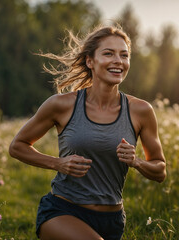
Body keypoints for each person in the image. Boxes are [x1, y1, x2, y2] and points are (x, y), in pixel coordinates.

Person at [9, 25, 166, 240]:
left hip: (112, 220)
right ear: (90, 61)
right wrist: (58, 163)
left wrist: (137, 161)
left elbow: (160, 170)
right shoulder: (61, 105)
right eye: (108, 53)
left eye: (124, 55)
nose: (118, 61)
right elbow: (17, 146)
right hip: (62, 211)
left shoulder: (141, 111)